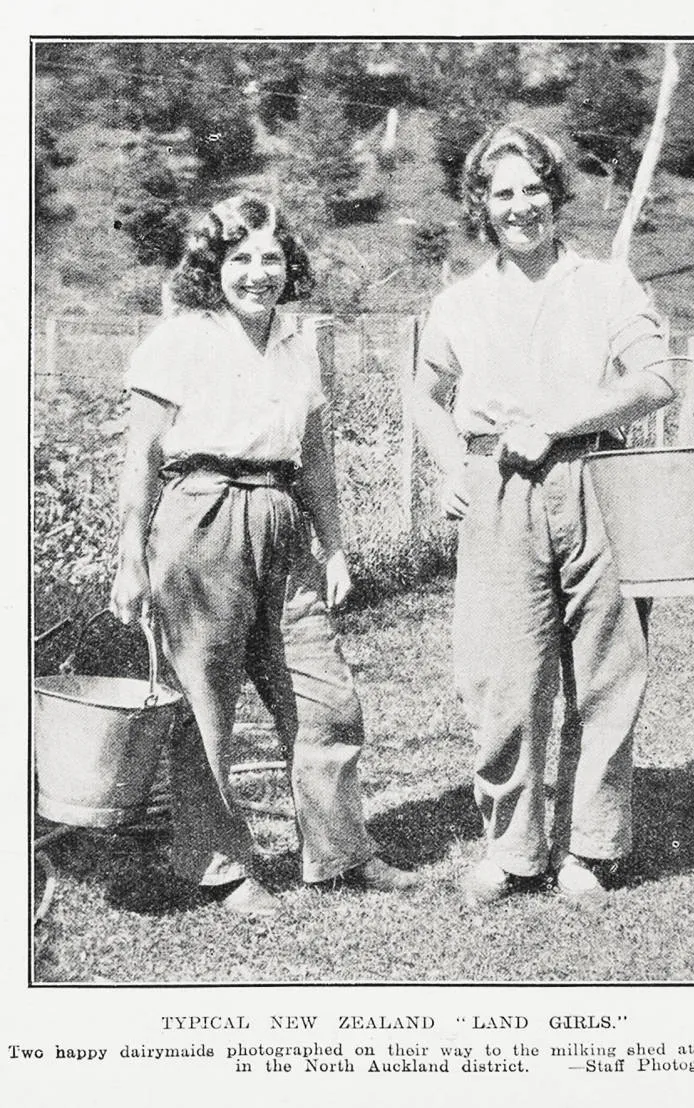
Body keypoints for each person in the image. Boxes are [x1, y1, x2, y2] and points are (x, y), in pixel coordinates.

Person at [111, 193, 415, 919]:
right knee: (205, 703)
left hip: (282, 517)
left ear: (290, 264)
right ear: (212, 266)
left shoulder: (298, 341)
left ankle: (341, 852)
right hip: (201, 515)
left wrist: (334, 547)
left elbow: (316, 459)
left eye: (271, 257)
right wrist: (130, 559)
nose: (258, 273)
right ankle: (220, 868)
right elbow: (142, 457)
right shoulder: (180, 339)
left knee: (326, 695)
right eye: (240, 257)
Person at [411, 123, 675, 907]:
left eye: (533, 188)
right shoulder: (459, 302)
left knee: (606, 670)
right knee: (502, 677)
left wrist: (558, 421)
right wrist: (450, 465)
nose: (520, 205)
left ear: (556, 195)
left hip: (597, 478)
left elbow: (654, 380)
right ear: (481, 205)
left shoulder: (607, 285)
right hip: (498, 487)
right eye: (503, 193)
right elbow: (424, 395)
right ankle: (513, 849)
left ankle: (592, 848)